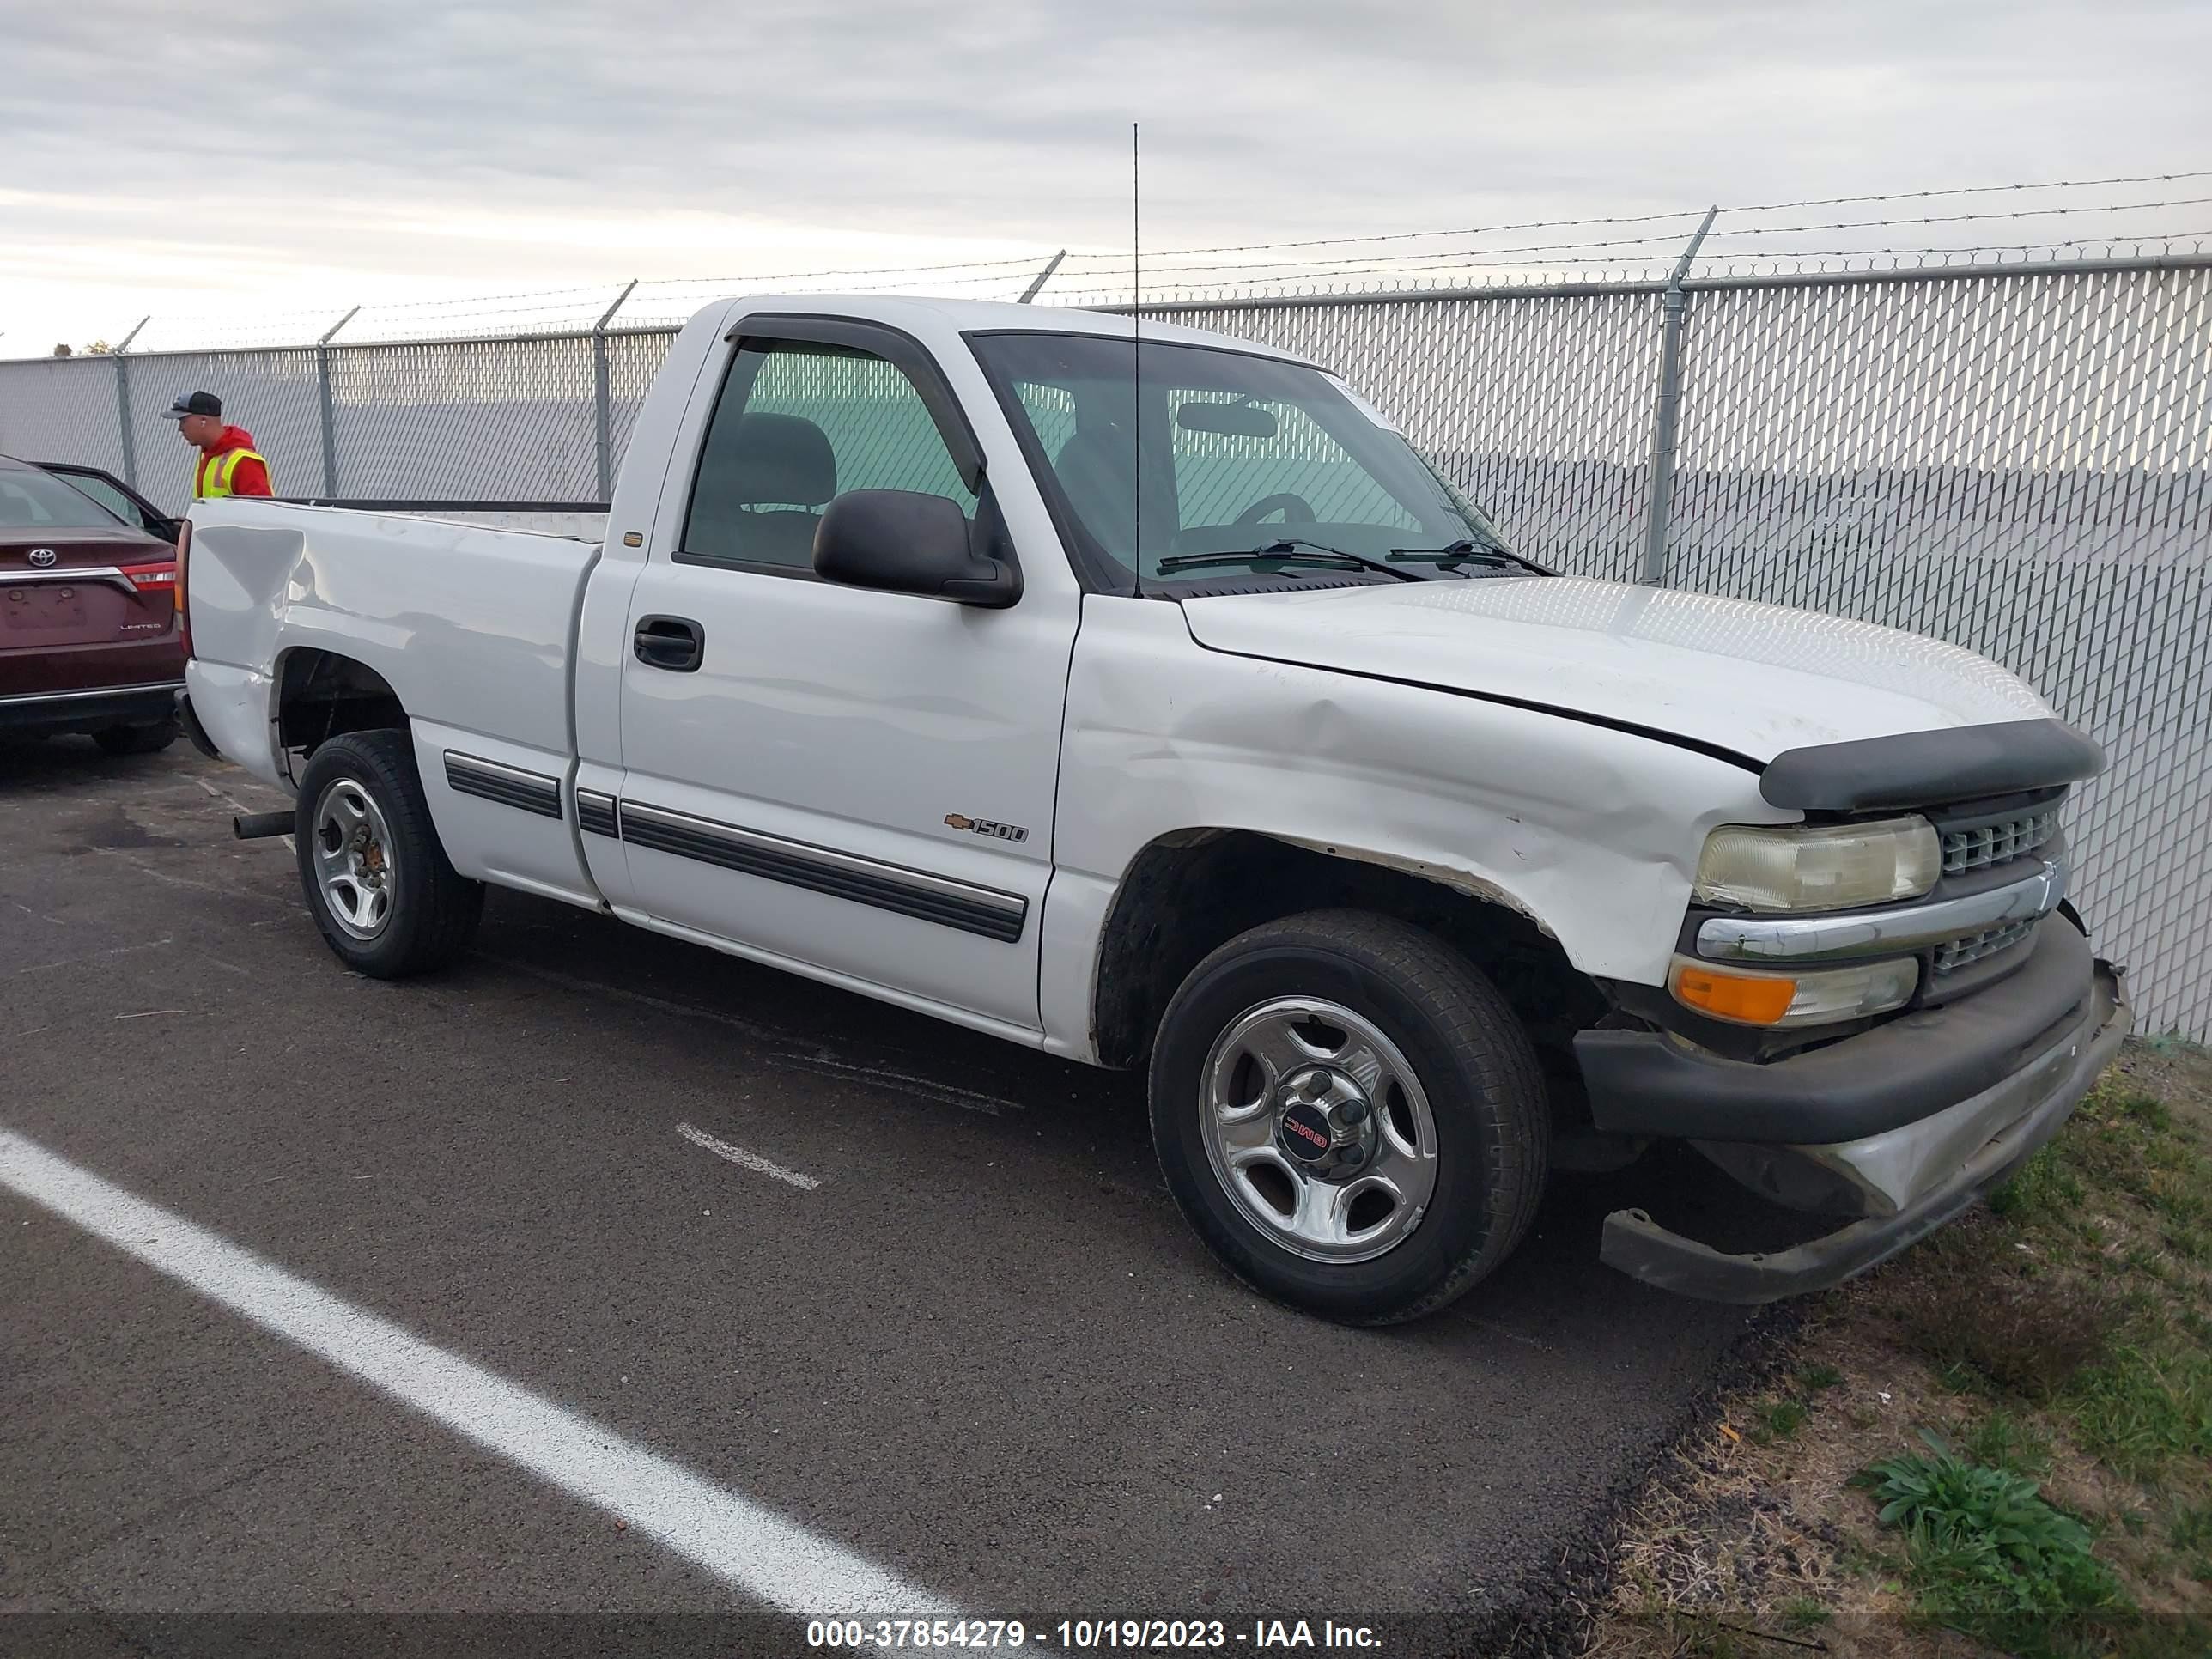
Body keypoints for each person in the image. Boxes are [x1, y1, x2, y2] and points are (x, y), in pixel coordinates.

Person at [162, 391, 273, 499]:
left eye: (183, 421)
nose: (180, 428)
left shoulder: (244, 461)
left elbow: (262, 514)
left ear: (203, 420)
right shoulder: (207, 455)